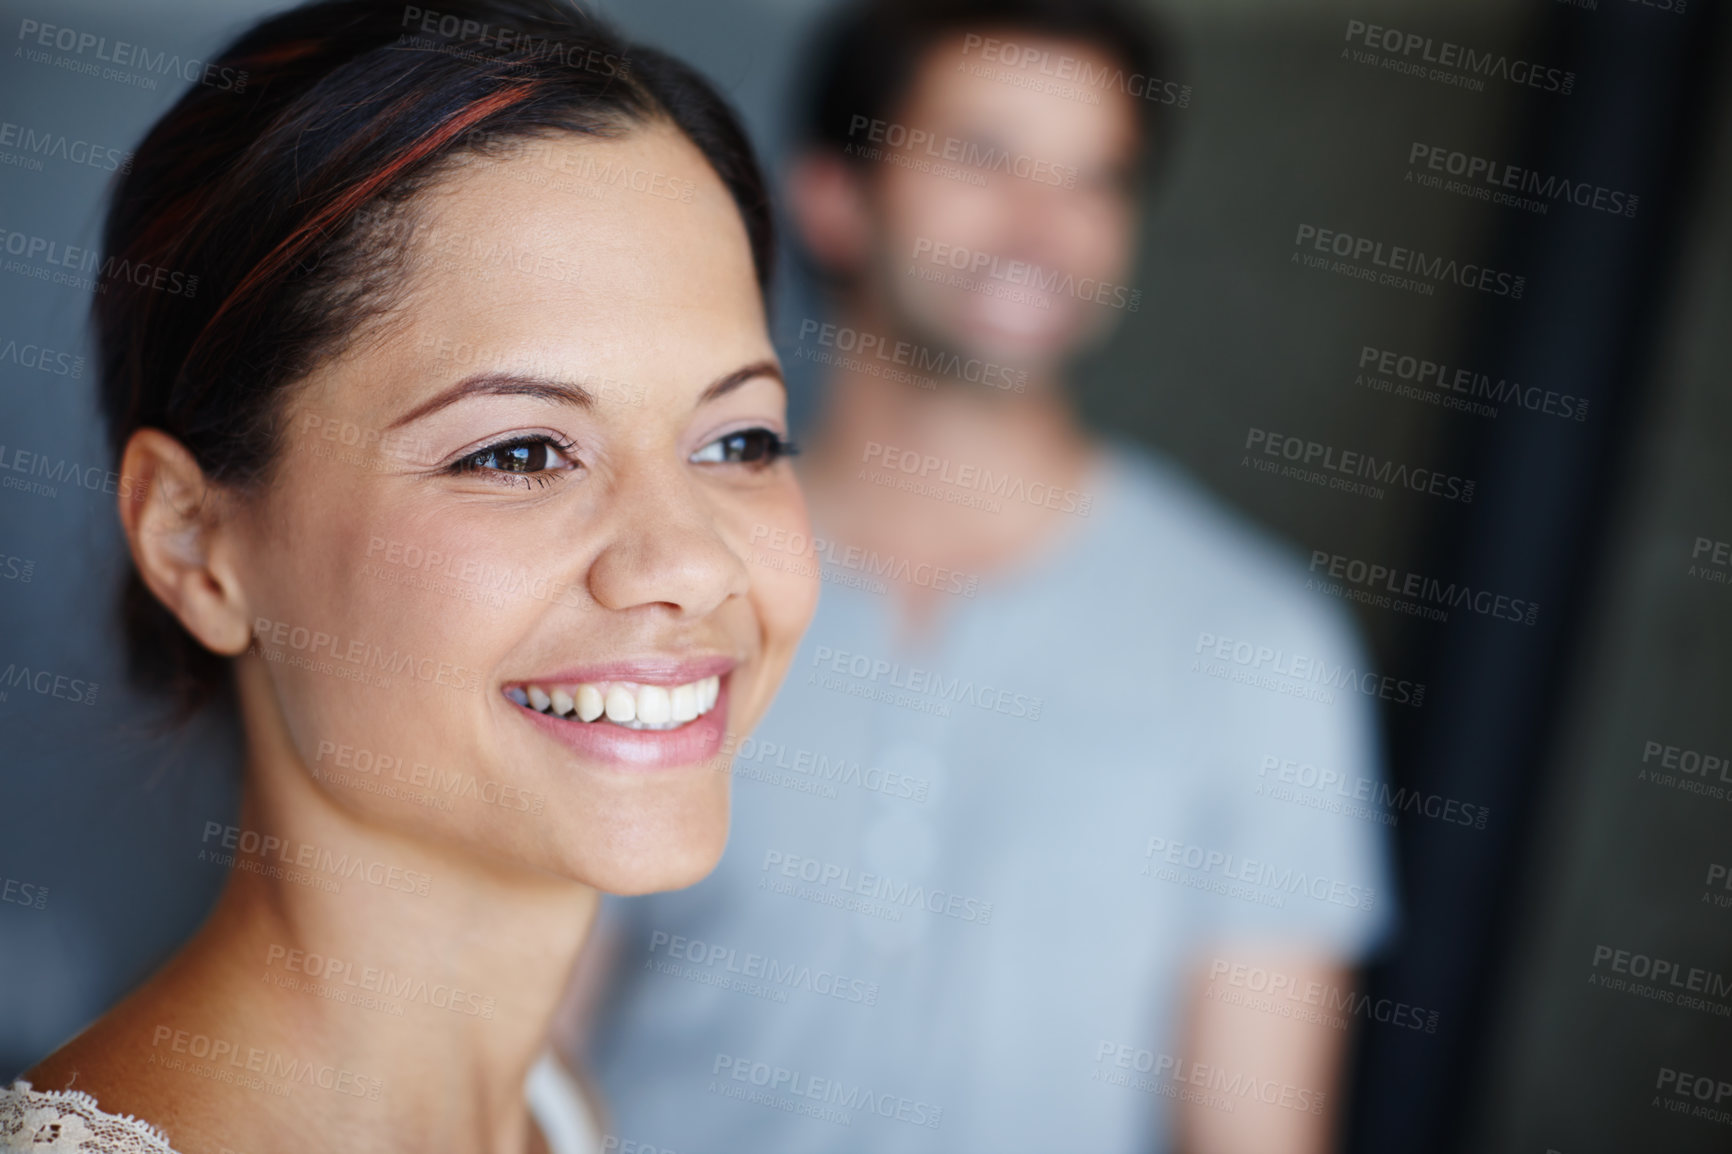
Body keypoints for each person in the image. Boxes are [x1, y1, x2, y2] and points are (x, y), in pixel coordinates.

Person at [573, 1, 1399, 1151]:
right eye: (983, 157)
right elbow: (522, 1040)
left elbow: (1254, 1130)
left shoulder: (1257, 641)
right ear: (833, 196)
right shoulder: (656, 581)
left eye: (1094, 179)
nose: (1045, 227)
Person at [0, 2, 816, 1152]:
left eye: (739, 440)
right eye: (518, 452)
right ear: (194, 540)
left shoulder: (548, 1111)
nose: (687, 562)